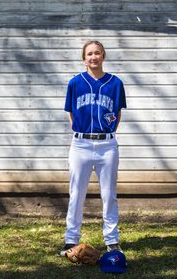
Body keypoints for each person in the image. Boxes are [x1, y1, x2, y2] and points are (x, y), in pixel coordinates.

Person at [60, 40, 127, 256]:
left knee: (109, 194)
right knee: (76, 193)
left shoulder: (115, 83)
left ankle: (112, 240)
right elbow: (71, 114)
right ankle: (71, 239)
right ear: (84, 58)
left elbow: (117, 114)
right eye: (89, 54)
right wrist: (83, 136)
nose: (93, 57)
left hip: (107, 144)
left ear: (103, 56)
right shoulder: (75, 83)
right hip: (81, 144)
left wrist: (106, 134)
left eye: (97, 53)